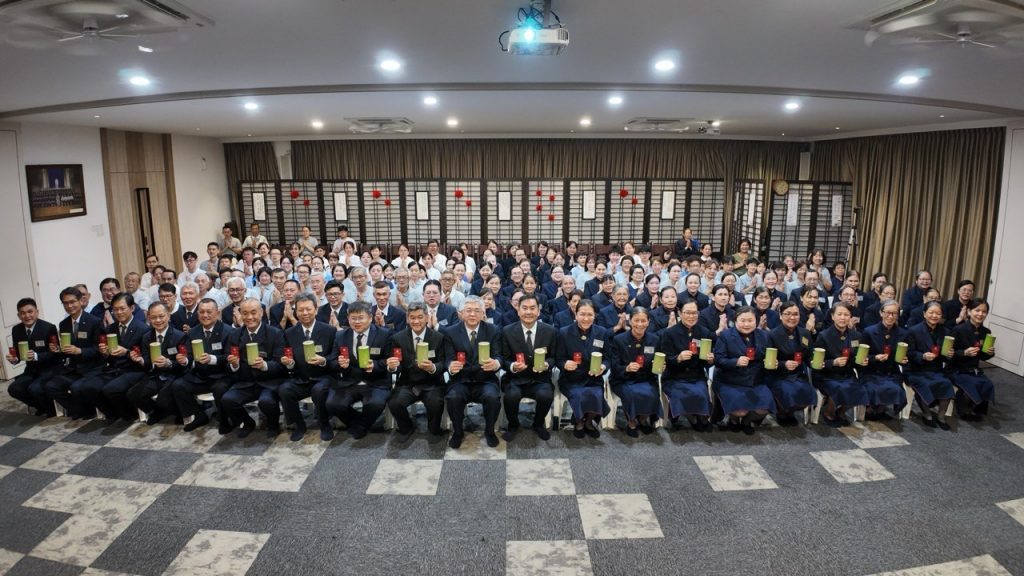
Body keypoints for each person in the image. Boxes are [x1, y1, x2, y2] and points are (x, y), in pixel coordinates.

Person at [73, 293, 151, 423]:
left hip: (134, 370)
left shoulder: (143, 329)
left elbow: (146, 358)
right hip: (114, 369)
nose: (119, 312)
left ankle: (129, 415)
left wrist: (126, 352)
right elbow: (108, 357)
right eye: (115, 309)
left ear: (132, 308)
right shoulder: (111, 328)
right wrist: (105, 353)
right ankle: (112, 414)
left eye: (122, 308)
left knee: (111, 389)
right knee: (88, 387)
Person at [325, 301, 394, 439]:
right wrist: (340, 364)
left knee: (375, 404)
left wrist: (375, 365)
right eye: (353, 318)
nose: (357, 322)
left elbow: (389, 360)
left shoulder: (384, 334)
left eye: (361, 318)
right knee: (332, 404)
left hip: (376, 381)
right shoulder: (340, 336)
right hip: (349, 380)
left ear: (370, 317)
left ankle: (360, 426)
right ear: (348, 318)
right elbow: (331, 361)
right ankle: (360, 424)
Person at [442, 296, 503, 448]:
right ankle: (458, 432)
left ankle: (490, 431)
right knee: (454, 397)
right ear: (461, 313)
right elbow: (448, 358)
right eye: (468, 310)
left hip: (485, 379)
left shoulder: (493, 330)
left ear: (483, 313)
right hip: (460, 379)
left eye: (477, 311)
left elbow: (499, 356)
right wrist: (450, 366)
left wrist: (496, 363)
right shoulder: (450, 332)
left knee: (492, 397)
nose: (472, 314)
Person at [221, 298, 286, 438]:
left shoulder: (275, 333)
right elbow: (227, 361)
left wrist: (265, 365)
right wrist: (234, 364)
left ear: (261, 313)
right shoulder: (234, 335)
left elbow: (280, 364)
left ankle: (273, 424)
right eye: (245, 313)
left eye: (253, 312)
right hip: (245, 382)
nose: (249, 317)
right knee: (227, 400)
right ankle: (247, 422)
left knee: (266, 401)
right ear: (240, 315)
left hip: (268, 382)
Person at [170, 298, 236, 433]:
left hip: (221, 375)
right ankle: (199, 415)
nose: (205, 315)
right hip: (200, 375)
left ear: (217, 313)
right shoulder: (193, 332)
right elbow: (189, 355)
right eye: (201, 312)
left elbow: (230, 357)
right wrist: (184, 360)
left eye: (209, 312)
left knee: (219, 389)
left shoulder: (228, 331)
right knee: (178, 385)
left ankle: (225, 421)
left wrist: (212, 359)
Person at [499, 294, 557, 441]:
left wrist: (546, 365)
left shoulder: (550, 331)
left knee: (546, 395)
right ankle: (513, 425)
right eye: (524, 308)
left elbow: (553, 357)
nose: (528, 312)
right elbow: (504, 359)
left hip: (540, 379)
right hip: (515, 378)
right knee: (511, 396)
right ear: (518, 311)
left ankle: (538, 424)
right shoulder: (507, 331)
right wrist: (513, 366)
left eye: (532, 308)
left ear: (538, 311)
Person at [386, 302, 447, 441]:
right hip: (408, 383)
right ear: (407, 319)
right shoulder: (398, 338)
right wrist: (392, 367)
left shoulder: (438, 337)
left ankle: (433, 429)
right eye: (412, 318)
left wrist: (433, 367)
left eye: (420, 317)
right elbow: (397, 364)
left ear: (427, 317)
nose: (416, 321)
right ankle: (406, 428)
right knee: (394, 402)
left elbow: (443, 363)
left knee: (436, 402)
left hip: (431, 382)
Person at [279, 294, 336, 441]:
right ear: (295, 312)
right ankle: (299, 425)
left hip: (323, 377)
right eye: (301, 310)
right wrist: (289, 363)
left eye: (308, 309)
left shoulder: (329, 330)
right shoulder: (289, 333)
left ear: (315, 310)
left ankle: (325, 424)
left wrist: (323, 361)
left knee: (319, 390)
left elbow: (334, 357)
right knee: (284, 389)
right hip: (301, 378)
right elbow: (289, 359)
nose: (305, 313)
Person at [45, 287, 105, 419]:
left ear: (81, 301)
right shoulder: (64, 324)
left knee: (76, 387)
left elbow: (99, 349)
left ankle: (87, 411)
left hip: (92, 368)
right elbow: (65, 350)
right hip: (72, 369)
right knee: (51, 386)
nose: (69, 306)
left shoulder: (94, 321)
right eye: (65, 303)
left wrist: (80, 351)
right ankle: (78, 410)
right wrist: (58, 349)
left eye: (72, 302)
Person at [712, 306, 773, 434]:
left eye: (750, 320)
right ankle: (734, 420)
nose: (746, 324)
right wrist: (735, 362)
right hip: (731, 380)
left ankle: (747, 421)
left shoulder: (764, 335)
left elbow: (768, 356)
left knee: (764, 408)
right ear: (735, 321)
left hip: (756, 380)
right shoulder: (726, 336)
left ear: (756, 321)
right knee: (740, 411)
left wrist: (772, 362)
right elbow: (718, 360)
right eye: (742, 320)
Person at [555, 299, 611, 438]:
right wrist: (565, 364)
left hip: (593, 377)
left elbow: (608, 358)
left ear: (595, 315)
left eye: (590, 315)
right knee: (579, 394)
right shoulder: (564, 332)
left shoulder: (602, 332)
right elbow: (558, 359)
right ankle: (579, 422)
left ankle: (589, 421)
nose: (586, 318)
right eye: (582, 314)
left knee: (596, 394)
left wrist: (603, 366)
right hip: (571, 378)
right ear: (576, 314)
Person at [126, 302, 187, 425]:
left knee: (163, 398)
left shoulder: (179, 336)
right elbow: (147, 361)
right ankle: (156, 411)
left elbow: (184, 363)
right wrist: (141, 360)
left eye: (161, 316)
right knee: (132, 394)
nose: (158, 320)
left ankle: (180, 412)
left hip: (174, 375)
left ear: (168, 316)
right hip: (155, 375)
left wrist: (169, 363)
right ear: (149, 318)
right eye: (153, 317)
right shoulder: (147, 337)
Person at [659, 300, 715, 431]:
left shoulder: (704, 332)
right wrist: (678, 358)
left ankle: (697, 417)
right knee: (681, 394)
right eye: (687, 313)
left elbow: (707, 361)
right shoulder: (669, 333)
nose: (691, 316)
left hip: (696, 376)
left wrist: (710, 360)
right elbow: (665, 359)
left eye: (694, 313)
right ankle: (683, 417)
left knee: (700, 394)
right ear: (680, 313)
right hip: (674, 376)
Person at [812, 303, 868, 427]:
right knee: (838, 388)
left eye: (846, 315)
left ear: (850, 317)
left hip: (847, 374)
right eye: (839, 314)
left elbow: (856, 359)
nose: (843, 318)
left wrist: (862, 362)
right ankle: (829, 413)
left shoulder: (856, 336)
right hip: (827, 375)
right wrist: (833, 362)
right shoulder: (824, 335)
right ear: (833, 316)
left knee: (861, 389)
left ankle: (841, 411)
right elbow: (817, 362)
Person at [608, 307, 661, 437]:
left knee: (652, 393)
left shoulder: (655, 340)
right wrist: (626, 368)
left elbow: (657, 362)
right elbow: (614, 366)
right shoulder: (618, 340)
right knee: (631, 394)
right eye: (636, 320)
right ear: (630, 321)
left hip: (646, 378)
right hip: (623, 379)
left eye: (643, 321)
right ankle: (631, 421)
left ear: (648, 322)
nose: (640, 324)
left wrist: (659, 366)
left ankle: (643, 418)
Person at [903, 301, 956, 429]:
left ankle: (941, 416)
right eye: (931, 312)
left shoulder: (946, 331)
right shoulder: (913, 331)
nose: (934, 316)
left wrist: (949, 354)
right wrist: (922, 356)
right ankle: (927, 414)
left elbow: (945, 355)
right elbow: (909, 353)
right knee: (925, 384)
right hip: (917, 369)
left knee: (946, 383)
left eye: (938, 313)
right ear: (924, 314)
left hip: (935, 369)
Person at [764, 302, 816, 426]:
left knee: (808, 391)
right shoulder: (772, 335)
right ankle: (782, 412)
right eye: (787, 314)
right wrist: (783, 364)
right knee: (787, 390)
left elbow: (808, 355)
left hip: (797, 375)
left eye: (795, 314)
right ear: (780, 315)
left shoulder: (805, 333)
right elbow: (768, 362)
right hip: (778, 375)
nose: (792, 317)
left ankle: (790, 411)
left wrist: (813, 362)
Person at [6, 298, 60, 416]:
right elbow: (18, 353)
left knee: (35, 388)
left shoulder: (48, 328)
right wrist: (14, 359)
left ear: (37, 312)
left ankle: (51, 411)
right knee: (14, 389)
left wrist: (37, 356)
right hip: (31, 370)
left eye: (30, 312)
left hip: (49, 368)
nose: (27, 316)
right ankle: (40, 407)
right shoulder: (17, 330)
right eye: (23, 313)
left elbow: (55, 353)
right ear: (19, 315)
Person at [860, 299, 909, 421]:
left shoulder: (903, 333)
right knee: (875, 387)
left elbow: (903, 355)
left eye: (894, 313)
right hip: (871, 370)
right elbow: (861, 356)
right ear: (881, 313)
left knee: (895, 388)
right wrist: (875, 358)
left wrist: (903, 360)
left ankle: (880, 409)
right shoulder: (869, 331)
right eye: (888, 313)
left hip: (890, 371)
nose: (891, 316)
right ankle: (871, 409)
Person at [949, 298, 996, 421]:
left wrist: (990, 353)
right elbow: (948, 354)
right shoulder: (958, 329)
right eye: (977, 310)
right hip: (956, 369)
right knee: (972, 383)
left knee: (987, 383)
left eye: (984, 312)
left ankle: (976, 408)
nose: (980, 314)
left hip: (973, 369)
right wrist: (964, 352)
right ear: (969, 311)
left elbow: (983, 356)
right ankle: (964, 410)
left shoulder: (986, 332)